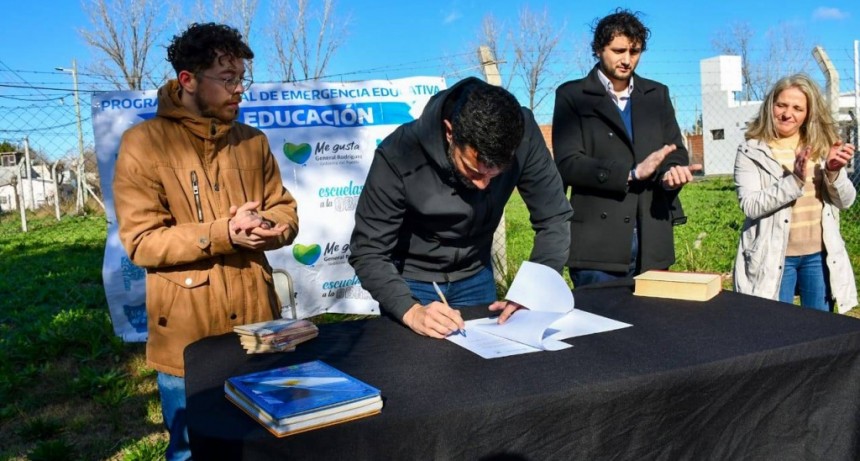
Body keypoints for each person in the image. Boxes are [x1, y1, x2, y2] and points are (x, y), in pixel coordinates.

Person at [113, 23, 299, 460]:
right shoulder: (142, 145)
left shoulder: (253, 142)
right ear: (188, 80)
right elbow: (142, 242)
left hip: (258, 326)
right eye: (227, 79)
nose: (239, 91)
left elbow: (285, 211)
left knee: (262, 441)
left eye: (242, 79)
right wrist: (224, 233)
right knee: (190, 451)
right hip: (186, 338)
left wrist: (272, 227)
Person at [348, 77, 572, 338]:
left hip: (476, 275)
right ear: (450, 132)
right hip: (413, 281)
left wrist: (533, 291)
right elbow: (368, 251)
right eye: (473, 170)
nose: (482, 185)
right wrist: (410, 310)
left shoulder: (524, 137)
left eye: (496, 175)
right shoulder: (399, 153)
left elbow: (554, 216)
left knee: (482, 371)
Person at [552, 9, 701, 288]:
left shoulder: (657, 94)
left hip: (651, 235)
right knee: (599, 327)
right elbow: (568, 163)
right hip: (598, 244)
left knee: (653, 327)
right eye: (618, 50)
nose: (627, 59)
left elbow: (674, 149)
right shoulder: (572, 96)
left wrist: (671, 171)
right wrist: (630, 174)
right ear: (598, 49)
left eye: (635, 51)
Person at [733, 74, 857, 312]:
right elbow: (750, 205)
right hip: (773, 256)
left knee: (818, 329)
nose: (788, 114)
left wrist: (833, 172)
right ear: (771, 105)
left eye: (798, 108)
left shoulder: (822, 145)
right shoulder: (751, 150)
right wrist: (795, 181)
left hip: (818, 256)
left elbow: (846, 201)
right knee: (777, 331)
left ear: (808, 113)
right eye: (781, 105)